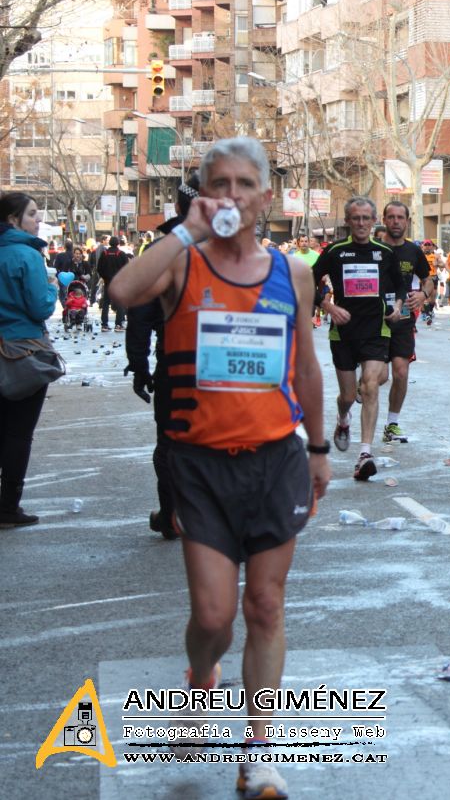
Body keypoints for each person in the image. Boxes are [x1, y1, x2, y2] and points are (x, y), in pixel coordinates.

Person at [107, 137, 331, 798]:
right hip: (200, 463)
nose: (231, 196)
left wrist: (318, 448)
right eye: (218, 185)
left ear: (266, 197)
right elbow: (122, 292)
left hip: (276, 458)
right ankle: (201, 676)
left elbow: (308, 365)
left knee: (264, 604)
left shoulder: (290, 272)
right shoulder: (183, 262)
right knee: (213, 617)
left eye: (243, 184)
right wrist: (184, 230)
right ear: (203, 195)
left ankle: (258, 750)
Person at [126, 174, 201, 541]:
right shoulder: (240, 253)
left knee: (171, 441)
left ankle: (174, 512)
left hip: (176, 361)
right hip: (228, 365)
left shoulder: (162, 251)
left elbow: (138, 312)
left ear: (176, 206)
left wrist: (138, 365)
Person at [311, 197, 404, 478]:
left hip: (376, 330)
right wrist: (327, 306)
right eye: (356, 218)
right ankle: (342, 418)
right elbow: (307, 281)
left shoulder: (385, 253)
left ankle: (365, 453)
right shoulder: (335, 251)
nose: (362, 224)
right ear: (348, 222)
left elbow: (400, 287)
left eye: (366, 218)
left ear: (374, 220)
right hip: (343, 332)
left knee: (371, 386)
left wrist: (398, 307)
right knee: (349, 395)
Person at [0, 192, 58, 528]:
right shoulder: (27, 254)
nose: (39, 220)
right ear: (13, 219)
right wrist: (51, 286)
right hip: (23, 352)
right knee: (19, 433)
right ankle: (8, 506)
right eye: (33, 213)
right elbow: (40, 307)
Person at [379, 200, 434, 442]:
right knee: (379, 377)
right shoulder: (374, 249)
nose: (396, 222)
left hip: (403, 320)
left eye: (400, 217)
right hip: (375, 320)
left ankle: (392, 423)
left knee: (400, 374)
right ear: (384, 219)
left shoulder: (413, 251)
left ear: (408, 221)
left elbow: (428, 280)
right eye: (391, 217)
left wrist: (423, 295)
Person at [94, 235, 132, 332]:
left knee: (106, 303)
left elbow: (99, 268)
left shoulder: (104, 253)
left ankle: (104, 325)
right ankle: (118, 325)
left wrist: (105, 277)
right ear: (118, 244)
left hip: (107, 282)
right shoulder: (122, 254)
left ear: (110, 243)